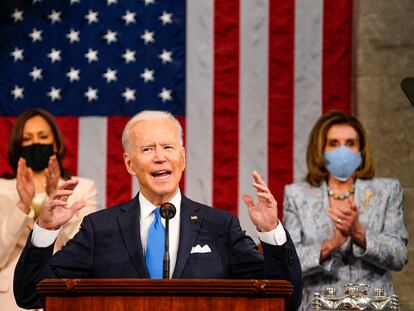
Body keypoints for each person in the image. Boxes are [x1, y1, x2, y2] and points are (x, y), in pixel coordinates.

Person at [14, 110, 302, 310]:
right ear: (129, 164)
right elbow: (30, 294)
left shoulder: (220, 227)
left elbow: (284, 297)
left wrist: (271, 232)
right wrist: (45, 230)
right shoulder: (99, 229)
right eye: (148, 149)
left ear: (183, 157)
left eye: (168, 147)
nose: (160, 157)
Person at [282, 110, 408, 310]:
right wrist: (330, 245)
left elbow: (399, 256)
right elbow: (289, 263)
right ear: (320, 149)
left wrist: (361, 234)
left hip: (374, 305)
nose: (343, 151)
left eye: (350, 143)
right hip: (318, 305)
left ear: (361, 149)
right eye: (334, 143)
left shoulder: (386, 191)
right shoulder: (297, 195)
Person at [0, 108, 98, 311]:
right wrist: (22, 206)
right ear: (19, 146)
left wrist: (59, 199)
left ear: (55, 143)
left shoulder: (83, 188)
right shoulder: (1, 189)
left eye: (42, 136)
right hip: (9, 300)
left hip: (63, 295)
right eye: (28, 138)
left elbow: (86, 251)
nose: (36, 143)